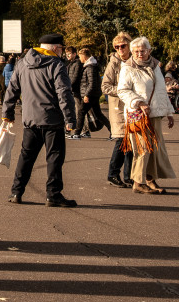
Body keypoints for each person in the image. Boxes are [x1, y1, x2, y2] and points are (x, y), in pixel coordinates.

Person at [3, 33, 78, 207]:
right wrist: (70, 119)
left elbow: (12, 89)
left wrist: (8, 113)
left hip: (30, 118)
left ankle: (16, 191)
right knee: (54, 158)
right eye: (61, 48)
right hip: (52, 120)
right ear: (55, 48)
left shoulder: (22, 63)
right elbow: (64, 93)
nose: (62, 52)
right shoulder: (57, 65)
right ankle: (53, 194)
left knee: (26, 156)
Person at [116, 37, 176, 194]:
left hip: (155, 114)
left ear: (149, 51)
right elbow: (122, 90)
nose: (139, 54)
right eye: (136, 51)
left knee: (155, 149)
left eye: (142, 51)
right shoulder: (128, 67)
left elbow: (161, 91)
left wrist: (169, 112)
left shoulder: (155, 66)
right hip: (139, 115)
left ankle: (150, 179)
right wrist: (139, 102)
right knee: (143, 148)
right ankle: (138, 182)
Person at [102, 32, 135, 188]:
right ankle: (113, 174)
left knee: (132, 142)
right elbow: (105, 86)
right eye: (117, 46)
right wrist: (123, 90)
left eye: (123, 46)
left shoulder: (135, 61)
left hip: (133, 107)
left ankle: (129, 176)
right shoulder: (114, 63)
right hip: (119, 107)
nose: (120, 49)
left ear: (130, 46)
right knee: (122, 140)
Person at [71, 48, 110, 139]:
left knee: (81, 112)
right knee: (98, 114)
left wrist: (86, 95)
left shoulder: (90, 67)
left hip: (90, 95)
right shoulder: (90, 66)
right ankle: (112, 131)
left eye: (80, 56)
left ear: (84, 56)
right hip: (93, 94)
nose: (79, 58)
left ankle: (77, 133)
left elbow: (92, 83)